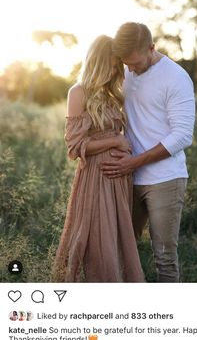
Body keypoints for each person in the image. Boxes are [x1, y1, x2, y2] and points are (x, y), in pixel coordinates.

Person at [101, 22, 195, 282]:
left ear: (152, 48)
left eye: (134, 62)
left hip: (165, 179)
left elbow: (182, 136)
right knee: (121, 250)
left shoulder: (176, 77)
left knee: (164, 257)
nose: (129, 69)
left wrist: (134, 162)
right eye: (125, 63)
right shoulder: (127, 71)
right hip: (128, 178)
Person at [53, 35, 144, 283]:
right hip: (96, 175)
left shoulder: (112, 93)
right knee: (95, 236)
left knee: (116, 237)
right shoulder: (78, 92)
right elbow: (74, 146)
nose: (116, 70)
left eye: (118, 65)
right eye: (112, 64)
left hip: (119, 176)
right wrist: (115, 141)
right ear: (99, 62)